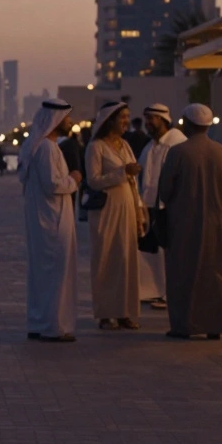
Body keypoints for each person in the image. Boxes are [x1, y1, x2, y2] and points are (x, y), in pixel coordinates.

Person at [157, 104, 222, 339]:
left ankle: (184, 325)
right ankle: (214, 325)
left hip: (183, 222)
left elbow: (165, 191)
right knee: (215, 272)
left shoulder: (178, 153)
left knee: (183, 272)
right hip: (216, 222)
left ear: (187, 123)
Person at [18, 98, 82, 342]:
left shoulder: (46, 146)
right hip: (52, 220)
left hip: (47, 217)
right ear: (55, 120)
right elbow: (52, 184)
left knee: (45, 274)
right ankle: (53, 326)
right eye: (67, 118)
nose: (71, 122)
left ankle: (40, 321)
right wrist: (74, 179)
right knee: (55, 273)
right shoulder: (46, 148)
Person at [85, 101, 146, 330]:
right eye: (122, 117)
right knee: (106, 259)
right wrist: (122, 173)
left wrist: (139, 209)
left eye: (128, 117)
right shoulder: (96, 147)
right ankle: (105, 313)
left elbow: (133, 182)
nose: (126, 122)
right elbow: (93, 180)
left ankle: (125, 312)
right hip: (106, 210)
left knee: (126, 259)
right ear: (109, 119)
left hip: (127, 207)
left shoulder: (125, 146)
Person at [136, 104, 187, 310]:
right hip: (150, 206)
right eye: (146, 118)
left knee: (169, 252)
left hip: (169, 207)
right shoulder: (150, 146)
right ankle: (154, 291)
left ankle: (170, 294)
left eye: (152, 119)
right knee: (151, 253)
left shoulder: (177, 143)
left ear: (164, 120)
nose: (148, 123)